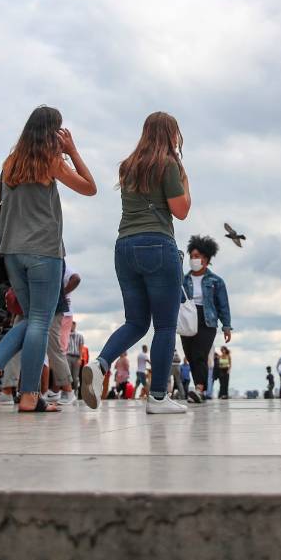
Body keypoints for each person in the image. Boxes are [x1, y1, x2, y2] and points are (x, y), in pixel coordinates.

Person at [0, 107, 96, 413]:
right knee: (40, 320)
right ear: (53, 132)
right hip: (43, 251)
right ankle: (29, 395)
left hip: (12, 252)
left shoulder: (10, 164)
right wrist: (72, 150)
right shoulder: (51, 161)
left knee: (30, 320)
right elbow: (89, 188)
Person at [80, 113, 189, 414]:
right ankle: (156, 398)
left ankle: (100, 364)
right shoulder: (168, 164)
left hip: (124, 247)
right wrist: (185, 180)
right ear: (171, 134)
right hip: (157, 244)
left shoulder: (128, 166)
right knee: (165, 325)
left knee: (136, 321)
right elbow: (181, 211)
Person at [178, 233, 233, 404]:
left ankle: (199, 389)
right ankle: (199, 388)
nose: (193, 259)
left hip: (207, 319)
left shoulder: (217, 281)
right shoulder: (183, 280)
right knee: (190, 355)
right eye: (192, 256)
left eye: (197, 256)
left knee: (200, 354)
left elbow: (223, 305)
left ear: (206, 259)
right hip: (188, 317)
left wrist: (226, 326)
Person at [43, 264, 82, 405]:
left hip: (63, 314)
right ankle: (56, 390)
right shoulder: (57, 264)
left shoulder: (62, 265)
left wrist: (61, 294)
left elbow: (76, 279)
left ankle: (67, 391)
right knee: (54, 352)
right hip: (59, 313)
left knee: (57, 351)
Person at [66, 320, 85, 395]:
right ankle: (69, 392)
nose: (72, 327)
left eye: (73, 325)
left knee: (75, 376)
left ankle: (75, 391)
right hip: (68, 356)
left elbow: (81, 348)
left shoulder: (79, 336)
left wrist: (80, 358)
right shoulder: (66, 335)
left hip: (76, 357)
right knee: (68, 375)